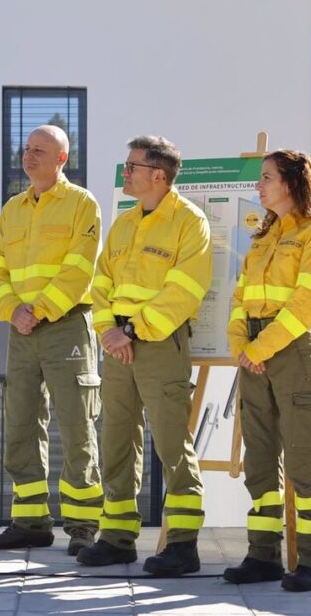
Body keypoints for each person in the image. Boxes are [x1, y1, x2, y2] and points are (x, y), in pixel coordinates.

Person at [77, 135, 211, 576]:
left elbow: (185, 290)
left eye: (132, 165)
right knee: (116, 439)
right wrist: (108, 331)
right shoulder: (125, 223)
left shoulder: (189, 222)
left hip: (158, 345)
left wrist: (131, 330)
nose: (125, 173)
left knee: (172, 443)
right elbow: (101, 286)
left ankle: (183, 546)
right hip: (118, 348)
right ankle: (117, 537)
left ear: (159, 174)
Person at [222, 150, 311, 592]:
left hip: (291, 350)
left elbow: (309, 302)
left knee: (304, 460)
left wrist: (261, 348)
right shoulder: (263, 235)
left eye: (266, 177)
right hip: (254, 351)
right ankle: (263, 556)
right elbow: (239, 298)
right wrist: (241, 346)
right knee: (259, 458)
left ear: (292, 183)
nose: (258, 186)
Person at [0, 125, 103, 556]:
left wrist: (37, 309)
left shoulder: (81, 204)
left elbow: (79, 268)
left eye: (39, 150)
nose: (28, 156)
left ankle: (84, 524)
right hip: (22, 331)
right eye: (26, 149)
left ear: (61, 159)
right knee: (21, 422)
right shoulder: (13, 209)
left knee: (75, 423)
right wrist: (13, 310)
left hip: (66, 325)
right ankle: (31, 521)